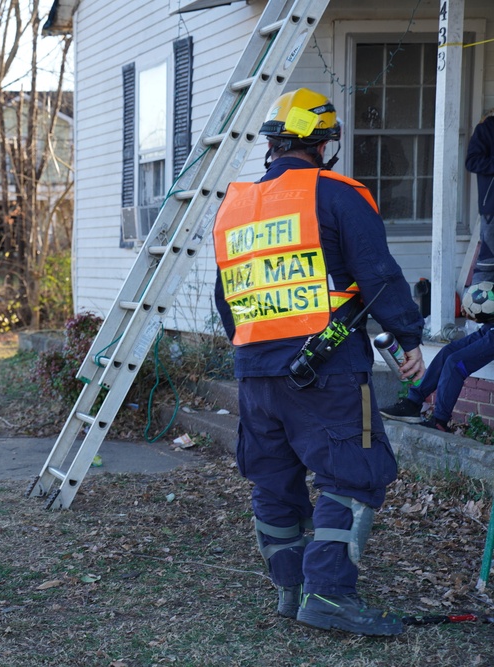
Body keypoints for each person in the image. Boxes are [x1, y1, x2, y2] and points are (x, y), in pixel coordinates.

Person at [213, 88, 425, 637]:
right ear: (322, 142)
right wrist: (407, 337)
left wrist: (255, 349)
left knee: (274, 479)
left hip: (255, 371)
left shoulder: (235, 206)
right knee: (353, 475)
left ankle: (291, 590)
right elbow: (377, 274)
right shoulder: (336, 194)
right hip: (324, 371)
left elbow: (225, 299)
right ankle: (327, 595)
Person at [380, 312, 494, 433]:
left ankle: (440, 421)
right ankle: (412, 403)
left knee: (455, 363)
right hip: (490, 327)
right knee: (447, 352)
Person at [466, 110, 494, 283]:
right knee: (489, 259)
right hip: (492, 207)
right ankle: (480, 306)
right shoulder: (486, 128)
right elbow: (472, 161)